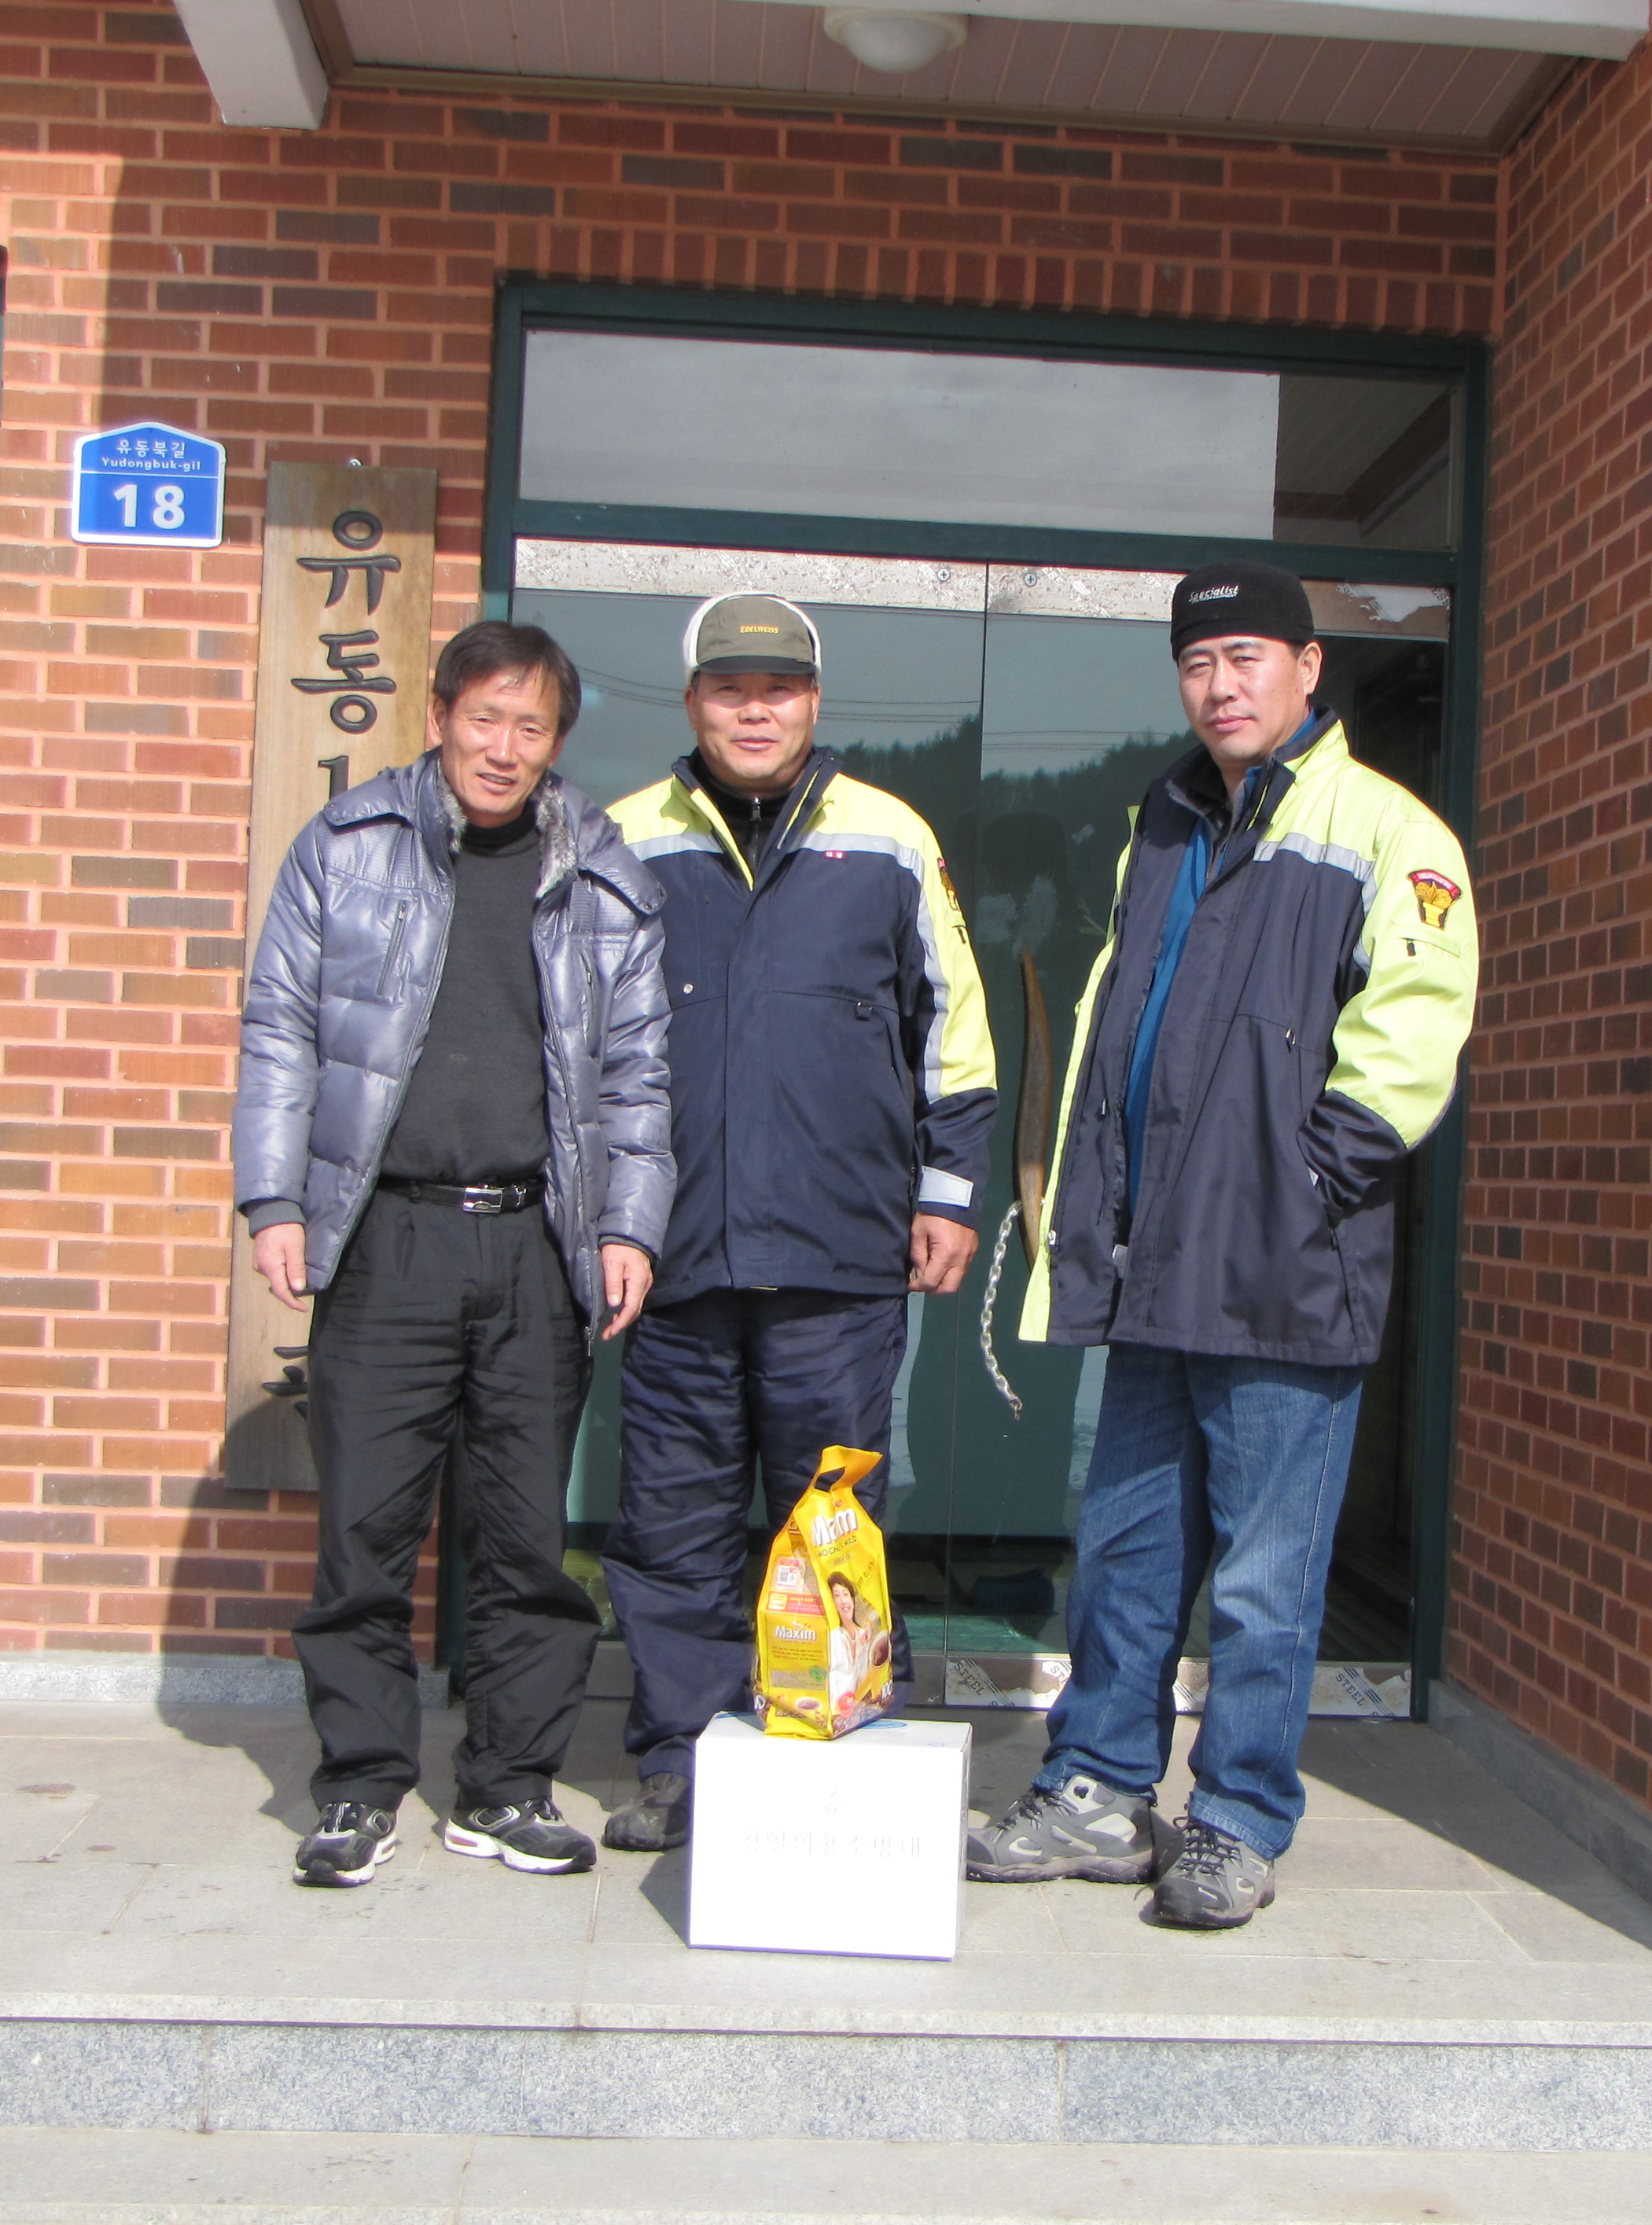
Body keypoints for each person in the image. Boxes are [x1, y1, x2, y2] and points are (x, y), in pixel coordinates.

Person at [969, 560, 1477, 1930]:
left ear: (1310, 667)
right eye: (1197, 662)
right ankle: (1096, 1786)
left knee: (1263, 1575)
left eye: (1248, 657)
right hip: (1154, 1261)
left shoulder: (1388, 830)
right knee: (1127, 1549)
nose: (1220, 684)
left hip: (1281, 1264)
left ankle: (1239, 1817)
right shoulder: (1166, 821)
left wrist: (1308, 1181)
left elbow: (1414, 1026)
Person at [234, 620, 671, 1889]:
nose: (503, 747)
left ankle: (509, 1786)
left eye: (531, 726)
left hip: (537, 1242)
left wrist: (627, 1223)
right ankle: (360, 1786)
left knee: (528, 1542)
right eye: (485, 718)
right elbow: (281, 1028)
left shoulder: (603, 873)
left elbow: (639, 1074)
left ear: (557, 741)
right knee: (365, 1531)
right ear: (438, 718)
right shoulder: (347, 845)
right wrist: (274, 1200)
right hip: (390, 1236)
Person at [598, 591, 995, 1851]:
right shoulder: (625, 838)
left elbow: (956, 1025)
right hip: (675, 1256)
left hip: (840, 1255)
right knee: (674, 1521)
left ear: (815, 701)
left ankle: (833, 1749)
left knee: (829, 1519)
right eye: (730, 688)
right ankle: (680, 1757)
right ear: (692, 702)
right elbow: (580, 1044)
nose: (755, 710)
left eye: (778, 689)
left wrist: (948, 1193)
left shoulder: (890, 837)